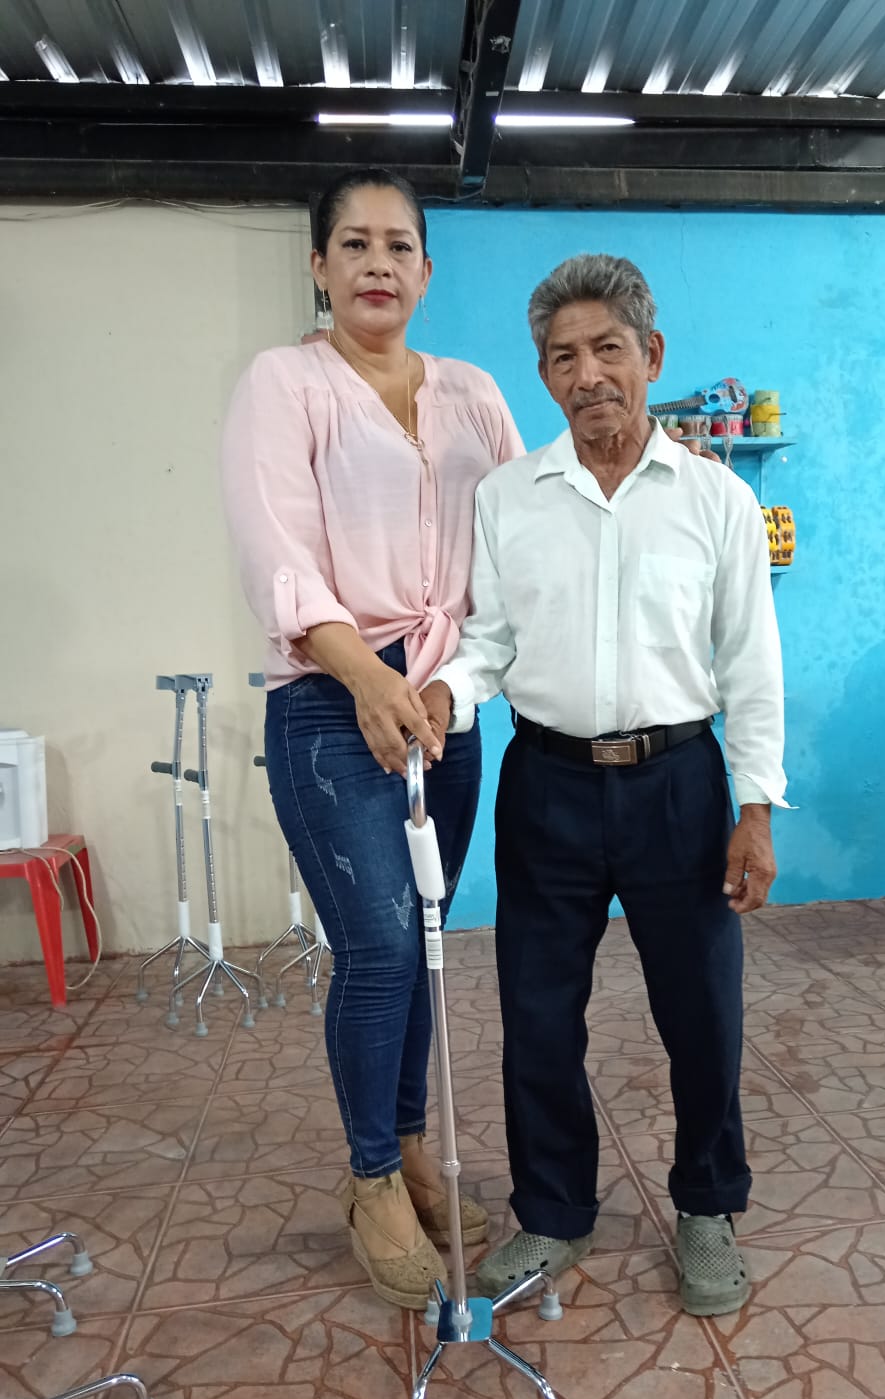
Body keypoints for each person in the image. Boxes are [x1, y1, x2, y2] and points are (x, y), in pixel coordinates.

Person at [422, 254, 787, 1317]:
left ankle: (708, 1204)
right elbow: (489, 643)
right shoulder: (509, 498)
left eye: (607, 349)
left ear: (651, 355)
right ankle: (552, 1211)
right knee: (538, 1012)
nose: (587, 375)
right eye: (563, 357)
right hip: (548, 786)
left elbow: (750, 663)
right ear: (544, 375)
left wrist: (754, 809)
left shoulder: (718, 499)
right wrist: (445, 692)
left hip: (680, 786)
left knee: (702, 1012)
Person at [221, 168, 524, 1311]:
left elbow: (517, 537)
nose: (377, 264)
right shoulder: (284, 383)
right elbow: (277, 549)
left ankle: (409, 1145)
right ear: (319, 265)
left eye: (399, 245)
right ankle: (371, 1176)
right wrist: (365, 673)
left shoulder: (474, 393)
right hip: (327, 697)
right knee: (383, 944)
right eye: (354, 244)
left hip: (445, 699)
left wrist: (446, 684)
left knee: (429, 937)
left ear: (428, 271)